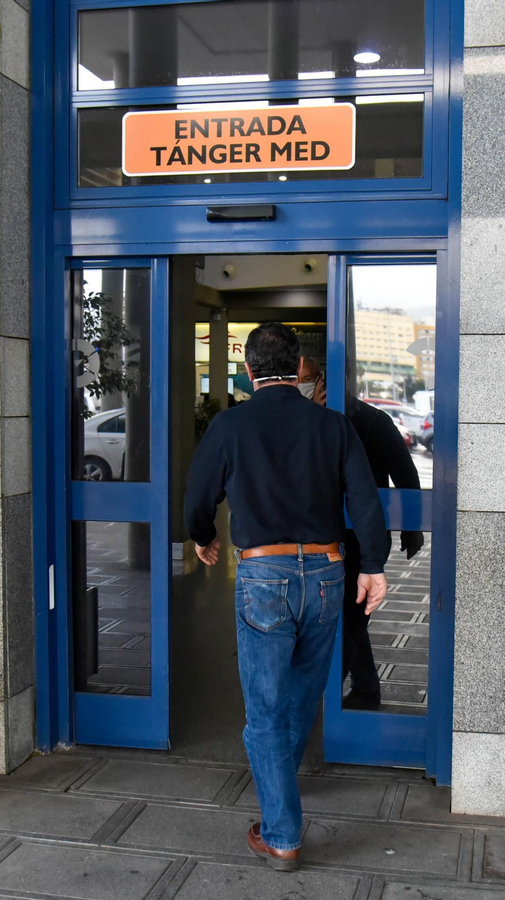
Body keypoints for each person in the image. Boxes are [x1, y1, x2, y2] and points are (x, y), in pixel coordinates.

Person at [184, 322, 389, 872]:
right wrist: (373, 566)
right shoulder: (333, 426)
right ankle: (283, 795)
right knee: (300, 697)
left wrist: (204, 537)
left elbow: (196, 499)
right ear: (299, 368)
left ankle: (280, 833)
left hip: (262, 577)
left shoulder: (229, 426)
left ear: (249, 371)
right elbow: (366, 502)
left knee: (265, 710)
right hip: (326, 573)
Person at [296, 356, 423, 710]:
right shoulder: (310, 419)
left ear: (326, 381)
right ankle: (366, 689)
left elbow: (405, 475)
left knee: (351, 619)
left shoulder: (372, 421)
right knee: (351, 618)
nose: (304, 385)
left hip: (363, 538)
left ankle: (329, 694)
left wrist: (412, 529)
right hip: (327, 537)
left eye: (308, 378)